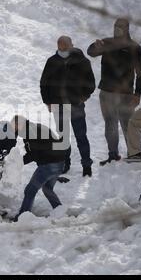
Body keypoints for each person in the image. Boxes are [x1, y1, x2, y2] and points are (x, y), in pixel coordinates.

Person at [87, 18, 141, 165]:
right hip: (107, 92)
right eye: (115, 26)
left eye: (120, 27)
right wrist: (94, 46)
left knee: (128, 125)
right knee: (110, 124)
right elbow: (91, 53)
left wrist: (138, 94)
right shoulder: (107, 43)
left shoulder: (135, 48)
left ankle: (134, 155)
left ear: (127, 28)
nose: (116, 29)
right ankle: (113, 154)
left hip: (126, 94)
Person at [40, 36, 95, 176]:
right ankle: (65, 163)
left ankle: (86, 165)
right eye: (60, 45)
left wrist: (83, 97)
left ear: (72, 45)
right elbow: (44, 83)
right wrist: (47, 101)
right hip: (58, 106)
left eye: (65, 45)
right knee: (63, 137)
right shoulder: (52, 61)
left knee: (81, 136)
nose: (62, 48)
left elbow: (91, 83)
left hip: (76, 105)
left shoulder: (82, 61)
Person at [13, 116, 69, 221]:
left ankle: (22, 218)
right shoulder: (35, 127)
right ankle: (59, 210)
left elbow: (33, 154)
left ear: (19, 125)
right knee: (47, 189)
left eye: (14, 127)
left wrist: (17, 163)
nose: (14, 130)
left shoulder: (29, 132)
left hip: (49, 164)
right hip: (60, 162)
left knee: (30, 190)